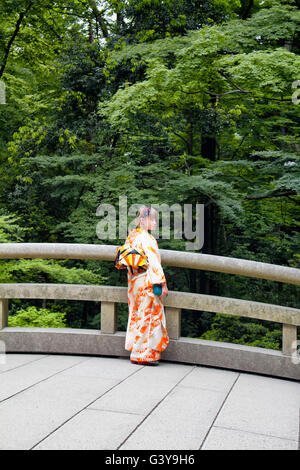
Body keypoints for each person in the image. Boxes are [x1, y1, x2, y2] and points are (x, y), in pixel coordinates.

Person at [124, 205, 169, 366]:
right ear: (143, 220)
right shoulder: (148, 239)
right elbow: (154, 264)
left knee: (138, 314)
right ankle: (144, 354)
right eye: (153, 219)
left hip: (135, 281)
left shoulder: (132, 237)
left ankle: (136, 352)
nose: (155, 223)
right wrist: (162, 284)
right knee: (148, 316)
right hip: (147, 280)